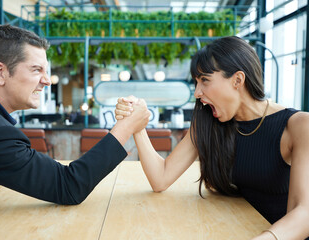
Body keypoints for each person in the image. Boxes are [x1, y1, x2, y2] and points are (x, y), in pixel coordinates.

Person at [115, 36, 309, 240]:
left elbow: (304, 213)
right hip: (237, 229)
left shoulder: (299, 126)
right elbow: (161, 178)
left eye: (205, 80)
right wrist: (137, 124)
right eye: (196, 82)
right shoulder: (208, 122)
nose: (197, 93)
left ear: (237, 80)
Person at [0, 24, 150, 214]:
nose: (46, 81)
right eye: (36, 70)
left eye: (46, 71)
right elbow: (69, 186)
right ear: (0, 72)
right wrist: (126, 127)